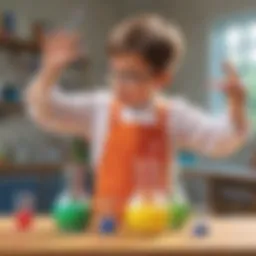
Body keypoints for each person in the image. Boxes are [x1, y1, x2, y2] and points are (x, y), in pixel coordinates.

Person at [26, 14, 248, 220]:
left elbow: (220, 140)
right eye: (115, 73)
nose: (118, 85)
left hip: (157, 228)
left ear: (161, 78)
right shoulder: (99, 108)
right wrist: (49, 72)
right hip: (107, 229)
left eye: (131, 75)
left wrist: (236, 106)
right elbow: (46, 111)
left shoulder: (174, 115)